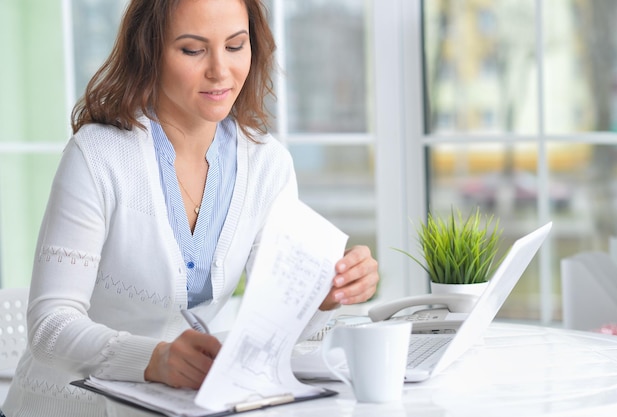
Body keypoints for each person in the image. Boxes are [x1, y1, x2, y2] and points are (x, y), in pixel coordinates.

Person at [1, 0, 379, 416]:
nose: (220, 70)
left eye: (235, 46)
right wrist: (154, 359)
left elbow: (272, 326)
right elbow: (49, 326)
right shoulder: (97, 156)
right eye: (192, 50)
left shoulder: (268, 165)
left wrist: (320, 296)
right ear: (150, 53)